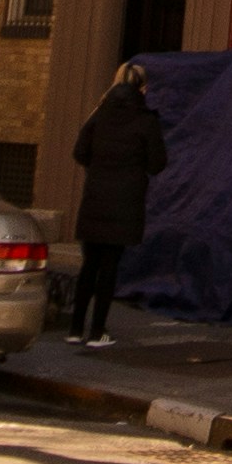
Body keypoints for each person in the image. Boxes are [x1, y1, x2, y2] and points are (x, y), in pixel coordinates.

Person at [69, 64, 167, 345]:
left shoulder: (99, 114)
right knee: (110, 266)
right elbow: (157, 163)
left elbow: (80, 151)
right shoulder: (145, 120)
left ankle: (76, 329)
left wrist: (99, 167)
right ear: (143, 88)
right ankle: (97, 331)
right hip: (125, 201)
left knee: (90, 264)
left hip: (95, 196)